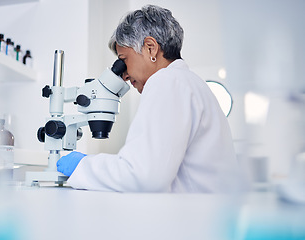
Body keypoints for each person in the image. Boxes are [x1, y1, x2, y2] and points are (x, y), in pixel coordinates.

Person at [57, 5, 242, 193]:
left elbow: (144, 176)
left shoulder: (167, 81)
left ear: (151, 48)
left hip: (197, 216)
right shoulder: (191, 83)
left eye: (124, 60)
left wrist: (83, 165)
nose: (125, 76)